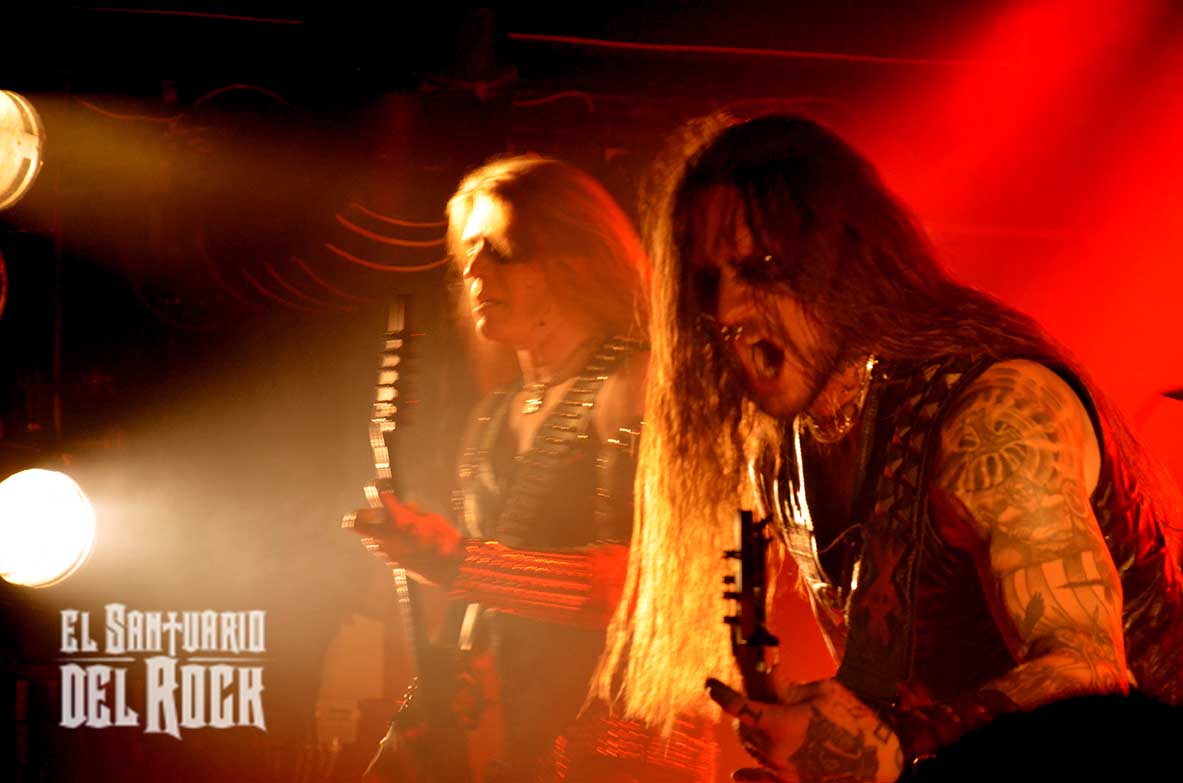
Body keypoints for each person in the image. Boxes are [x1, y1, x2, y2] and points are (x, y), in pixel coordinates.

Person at [595, 113, 1183, 782]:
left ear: (842, 262)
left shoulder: (992, 415)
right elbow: (879, 697)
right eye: (708, 281)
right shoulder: (779, 451)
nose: (726, 310)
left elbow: (1086, 672)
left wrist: (895, 746)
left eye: (761, 268)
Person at [352, 154, 716, 783]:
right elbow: (484, 613)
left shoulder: (640, 385)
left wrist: (456, 561)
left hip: (623, 753)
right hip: (519, 752)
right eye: (467, 253)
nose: (472, 271)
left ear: (575, 261)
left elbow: (635, 590)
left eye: (498, 250)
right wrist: (424, 715)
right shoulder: (492, 418)